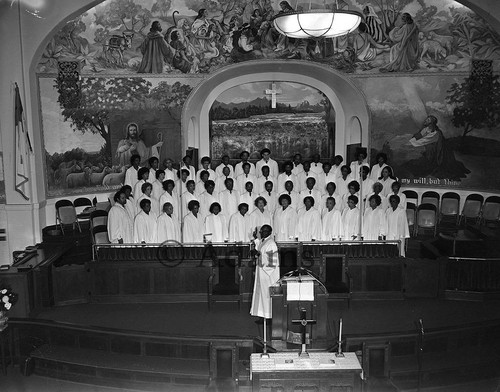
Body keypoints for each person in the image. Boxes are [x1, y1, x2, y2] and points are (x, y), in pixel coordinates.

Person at [250, 224, 280, 319]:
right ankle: (263, 315)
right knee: (262, 295)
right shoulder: (265, 241)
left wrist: (258, 255)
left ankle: (269, 316)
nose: (262, 232)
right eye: (261, 231)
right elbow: (260, 249)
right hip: (262, 273)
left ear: (270, 233)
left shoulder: (271, 244)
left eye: (265, 231)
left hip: (268, 275)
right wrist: (256, 251)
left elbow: (271, 263)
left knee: (267, 295)